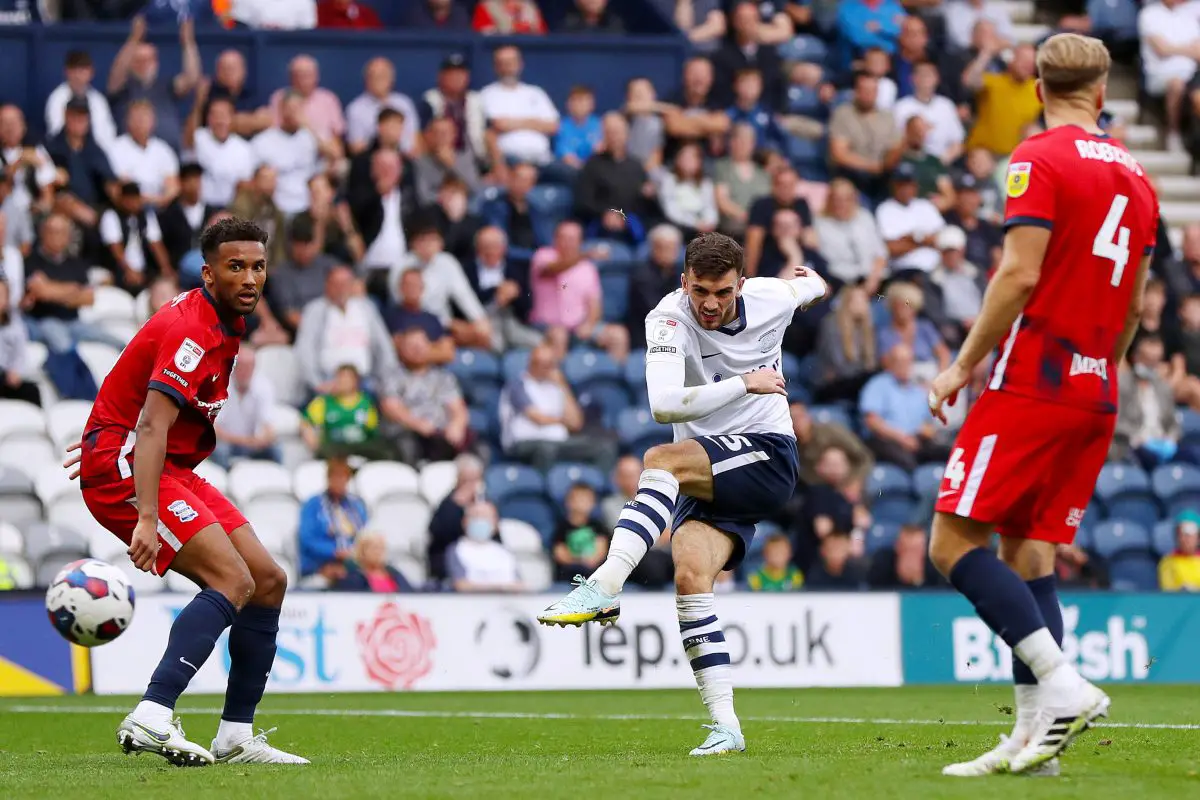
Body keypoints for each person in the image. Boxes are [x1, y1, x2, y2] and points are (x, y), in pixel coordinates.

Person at [927, 34, 1159, 777]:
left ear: (1037, 90)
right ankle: (1035, 743)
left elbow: (1019, 274)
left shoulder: (1038, 158)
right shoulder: (1141, 177)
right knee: (1028, 551)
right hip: (1096, 386)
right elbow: (1134, 306)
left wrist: (963, 365)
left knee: (950, 543)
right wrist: (1103, 371)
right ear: (1102, 91)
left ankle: (1061, 685)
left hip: (1034, 378)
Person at [538, 232, 827, 756]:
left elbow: (809, 289)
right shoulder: (667, 318)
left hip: (766, 452)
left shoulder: (769, 297)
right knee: (691, 577)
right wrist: (747, 382)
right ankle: (727, 727)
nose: (710, 304)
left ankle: (604, 585)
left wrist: (813, 283)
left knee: (658, 460)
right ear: (683, 283)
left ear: (741, 284)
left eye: (722, 292)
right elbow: (665, 406)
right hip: (709, 469)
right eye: (699, 291)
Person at [65, 217, 306, 765]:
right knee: (232, 578)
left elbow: (136, 383)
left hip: (160, 460)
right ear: (208, 272)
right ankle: (151, 715)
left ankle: (235, 737)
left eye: (258, 266)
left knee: (267, 581)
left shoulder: (225, 318)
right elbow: (150, 425)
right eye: (236, 266)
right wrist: (144, 513)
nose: (250, 278)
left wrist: (106, 428)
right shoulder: (194, 330)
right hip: (133, 465)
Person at [298, 457, 368, 585]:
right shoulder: (313, 505)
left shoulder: (356, 506)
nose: (339, 482)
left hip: (353, 565)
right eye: (336, 477)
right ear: (328, 479)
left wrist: (354, 553)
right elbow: (307, 539)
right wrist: (334, 552)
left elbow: (365, 535)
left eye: (343, 478)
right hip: (319, 566)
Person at [212, 344, 279, 469]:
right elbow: (214, 428)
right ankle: (227, 481)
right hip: (227, 442)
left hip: (252, 444)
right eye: (240, 366)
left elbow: (268, 425)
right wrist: (244, 441)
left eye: (248, 367)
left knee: (276, 449)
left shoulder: (264, 386)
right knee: (219, 449)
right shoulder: (220, 385)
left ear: (254, 367)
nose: (244, 371)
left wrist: (263, 439)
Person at [301, 364, 388, 459]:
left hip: (360, 448)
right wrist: (315, 443)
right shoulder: (323, 403)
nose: (342, 381)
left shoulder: (366, 404)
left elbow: (372, 432)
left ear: (356, 381)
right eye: (340, 377)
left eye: (347, 378)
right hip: (334, 448)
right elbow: (305, 422)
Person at [446, 501, 525, 592]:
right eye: (475, 516)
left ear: (495, 523)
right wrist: (500, 588)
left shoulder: (505, 552)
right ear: (464, 522)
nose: (480, 520)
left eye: (485, 517)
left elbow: (519, 584)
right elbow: (461, 585)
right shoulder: (457, 550)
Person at [551, 483, 610, 583]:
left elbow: (601, 548)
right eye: (578, 499)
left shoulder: (597, 526)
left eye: (586, 500)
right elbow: (559, 553)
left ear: (593, 503)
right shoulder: (562, 527)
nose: (582, 503)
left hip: (594, 572)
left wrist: (592, 560)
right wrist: (578, 562)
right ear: (568, 502)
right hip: (569, 573)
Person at [335, 532, 415, 592]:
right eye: (374, 548)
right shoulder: (354, 578)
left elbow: (410, 593)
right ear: (362, 551)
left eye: (382, 548)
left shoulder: (393, 573)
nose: (378, 552)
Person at [1158, 510, 1200, 591]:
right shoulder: (1167, 562)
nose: (1186, 539)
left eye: (1190, 535)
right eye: (1182, 535)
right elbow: (1168, 592)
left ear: (1198, 538)